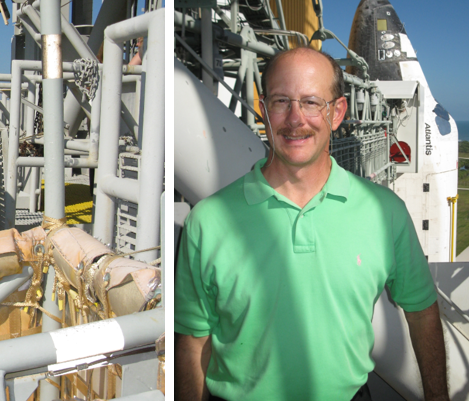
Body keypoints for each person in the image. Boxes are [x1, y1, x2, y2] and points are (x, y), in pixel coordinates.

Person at [173, 47, 447, 400]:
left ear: (337, 113)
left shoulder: (385, 212)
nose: (295, 119)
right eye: (281, 101)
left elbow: (422, 311)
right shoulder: (207, 223)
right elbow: (193, 343)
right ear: (263, 110)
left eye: (312, 102)